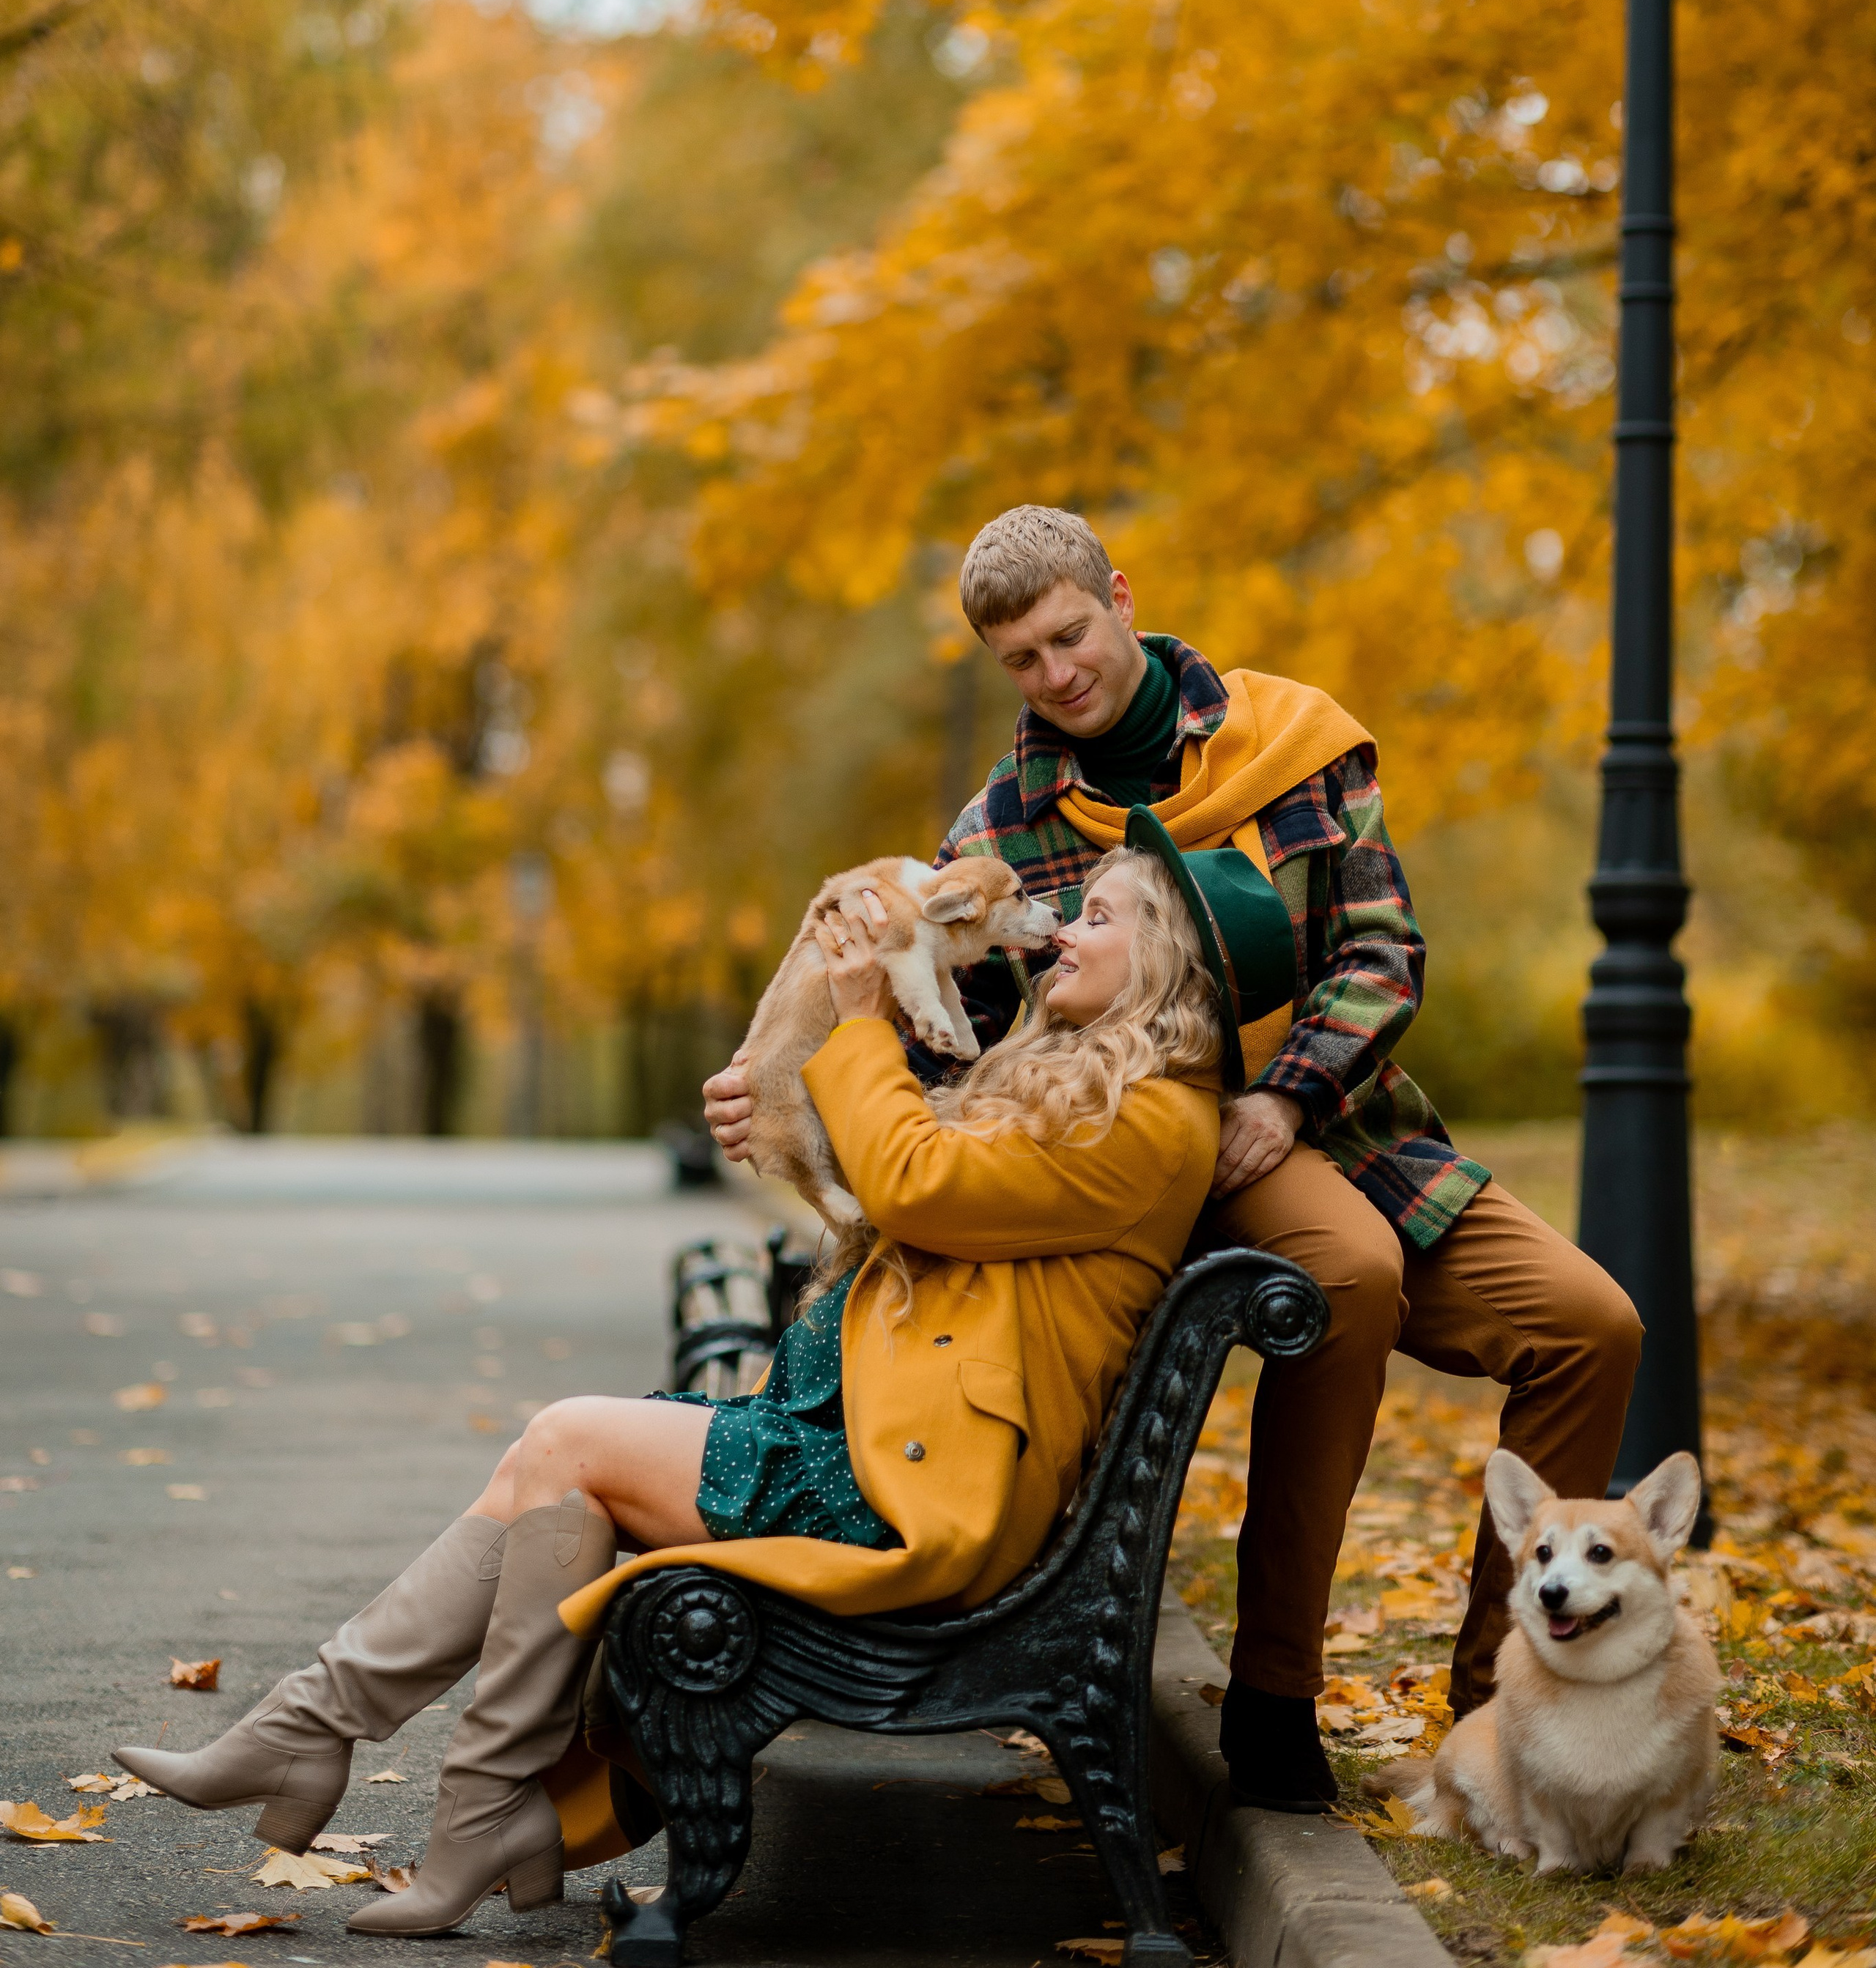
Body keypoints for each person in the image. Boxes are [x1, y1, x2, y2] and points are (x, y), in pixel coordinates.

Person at [111, 833, 1236, 1935]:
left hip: (909, 1492)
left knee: (566, 1445)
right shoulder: (1082, 1089)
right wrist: (786, 1101)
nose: (1066, 933)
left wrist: (858, 1027)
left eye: (1100, 917)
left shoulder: (1148, 1118)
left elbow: (917, 1188)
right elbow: (914, 1200)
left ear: (1171, 963)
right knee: (561, 1471)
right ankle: (426, 1792)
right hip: (869, 1447)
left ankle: (353, 1753)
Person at [704, 503, 1644, 1813]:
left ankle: (1503, 1704)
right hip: (1131, 1141)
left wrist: (1295, 1097)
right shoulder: (1006, 823)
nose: (1057, 675)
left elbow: (1379, 956)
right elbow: (943, 1036)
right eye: (1022, 659)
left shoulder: (1294, 740)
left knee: (1590, 1324)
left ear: (1121, 599)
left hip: (1345, 1124)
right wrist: (785, 1098)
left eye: (1070, 635)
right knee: (1351, 1276)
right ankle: (1274, 1693)